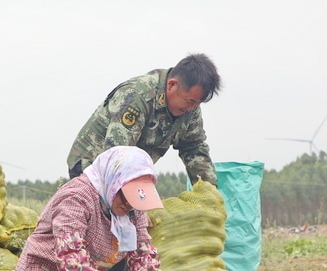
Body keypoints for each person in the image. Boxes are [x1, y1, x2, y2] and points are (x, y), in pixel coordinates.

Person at [13, 146, 170, 271]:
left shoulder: (134, 207)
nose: (129, 204)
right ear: (113, 181)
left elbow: (142, 253)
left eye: (134, 197)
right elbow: (70, 254)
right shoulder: (76, 197)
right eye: (125, 195)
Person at [67, 53, 221, 186]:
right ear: (171, 85)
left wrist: (208, 187)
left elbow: (193, 146)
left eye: (197, 103)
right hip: (92, 165)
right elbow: (117, 155)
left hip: (130, 170)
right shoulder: (137, 97)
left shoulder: (190, 108)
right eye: (190, 102)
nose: (192, 109)